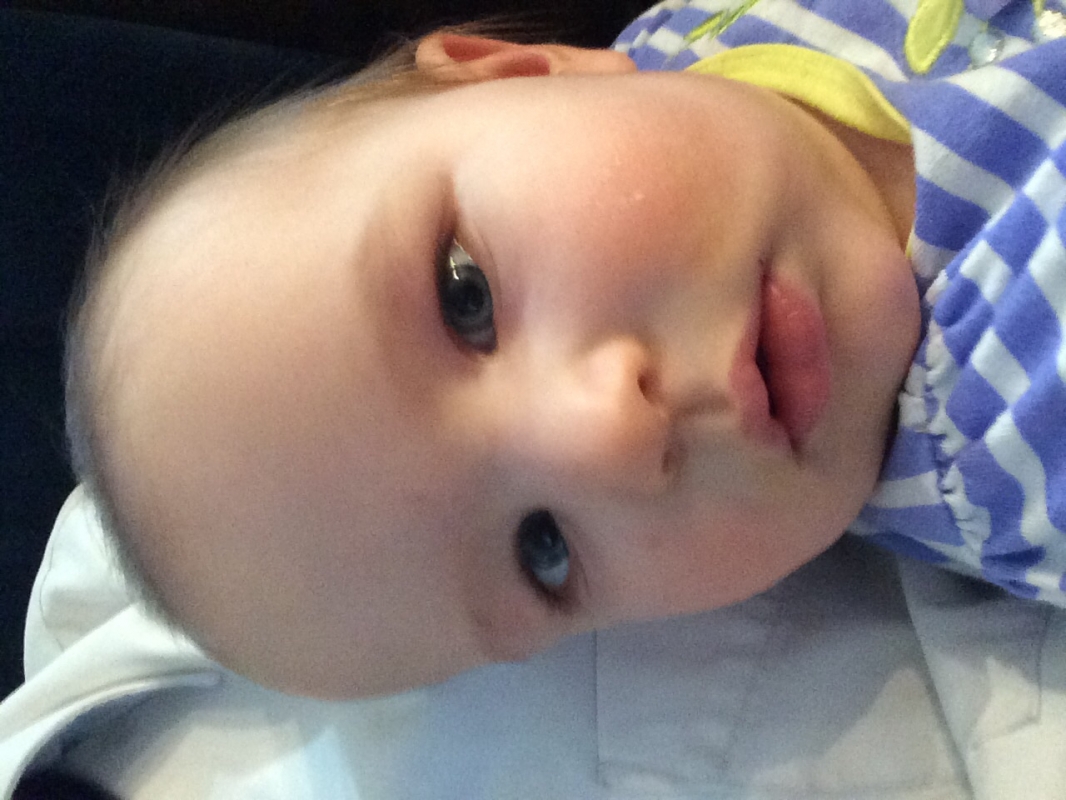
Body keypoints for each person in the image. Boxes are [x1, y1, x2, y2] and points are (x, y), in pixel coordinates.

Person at [60, 0, 1066, 702]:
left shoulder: (687, 44)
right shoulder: (1020, 429)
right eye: (544, 551)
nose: (610, 437)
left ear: (518, 72)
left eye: (466, 298)